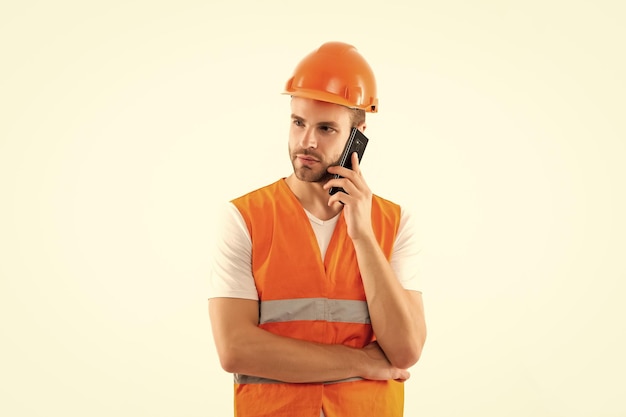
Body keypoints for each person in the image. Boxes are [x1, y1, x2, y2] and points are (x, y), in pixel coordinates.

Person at [208, 41, 427, 417]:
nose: (306, 141)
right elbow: (235, 350)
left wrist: (362, 235)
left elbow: (406, 351)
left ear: (357, 135)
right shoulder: (244, 217)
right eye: (298, 123)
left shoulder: (393, 222)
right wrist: (362, 362)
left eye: (326, 128)